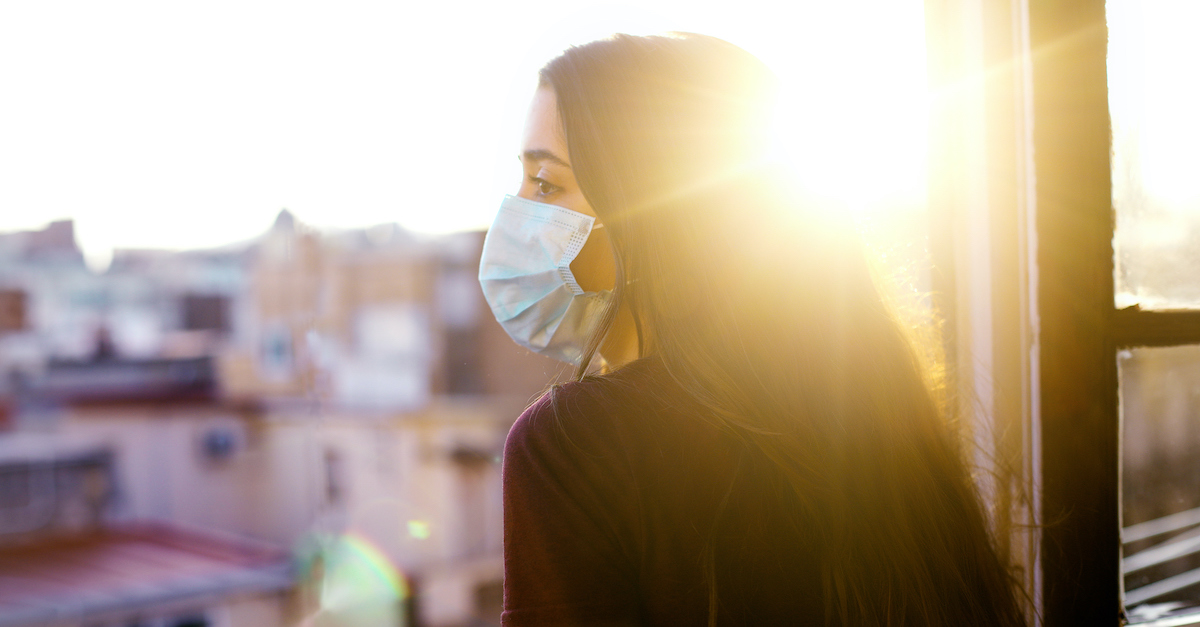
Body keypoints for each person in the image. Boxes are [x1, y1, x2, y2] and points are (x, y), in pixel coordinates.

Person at [478, 32, 1028, 626]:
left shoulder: (570, 448)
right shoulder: (874, 413)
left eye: (544, 183)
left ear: (657, 213)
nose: (514, 210)